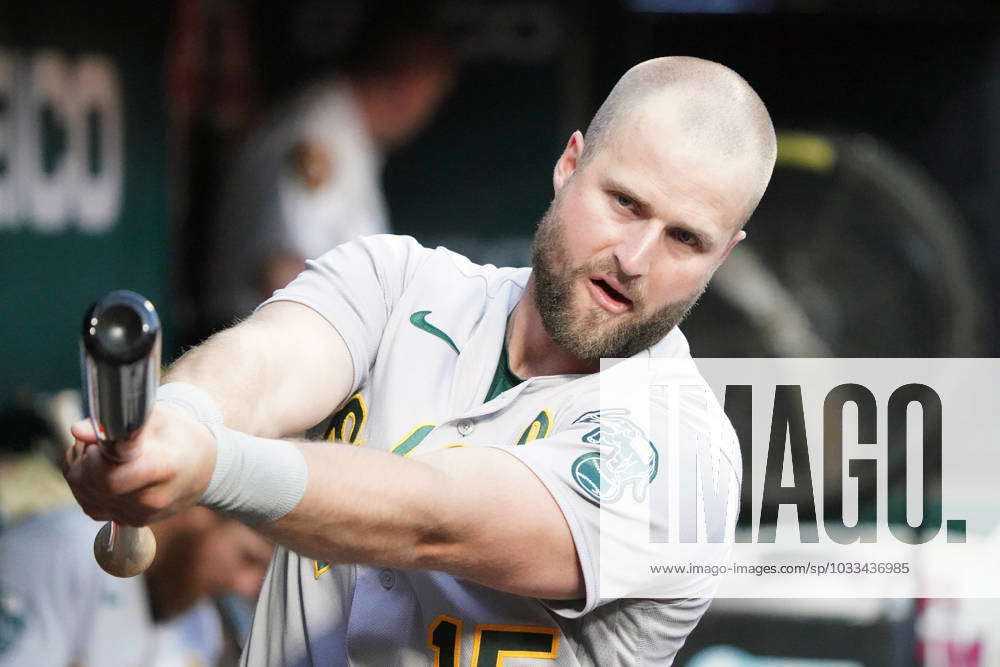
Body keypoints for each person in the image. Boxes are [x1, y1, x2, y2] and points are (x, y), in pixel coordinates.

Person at [63, 56, 777, 665]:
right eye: (624, 202)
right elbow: (264, 364)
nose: (635, 258)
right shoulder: (399, 278)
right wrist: (175, 425)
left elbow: (433, 517)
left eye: (686, 239)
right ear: (570, 164)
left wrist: (209, 463)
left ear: (726, 253)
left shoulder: (681, 458)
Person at [202, 8, 456, 331]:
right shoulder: (321, 133)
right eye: (430, 94)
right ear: (410, 82)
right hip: (265, 345)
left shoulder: (346, 132)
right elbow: (284, 271)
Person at [0, 505, 273, 666]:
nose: (245, 587)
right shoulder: (64, 548)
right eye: (248, 559)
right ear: (198, 512)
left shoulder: (198, 622)